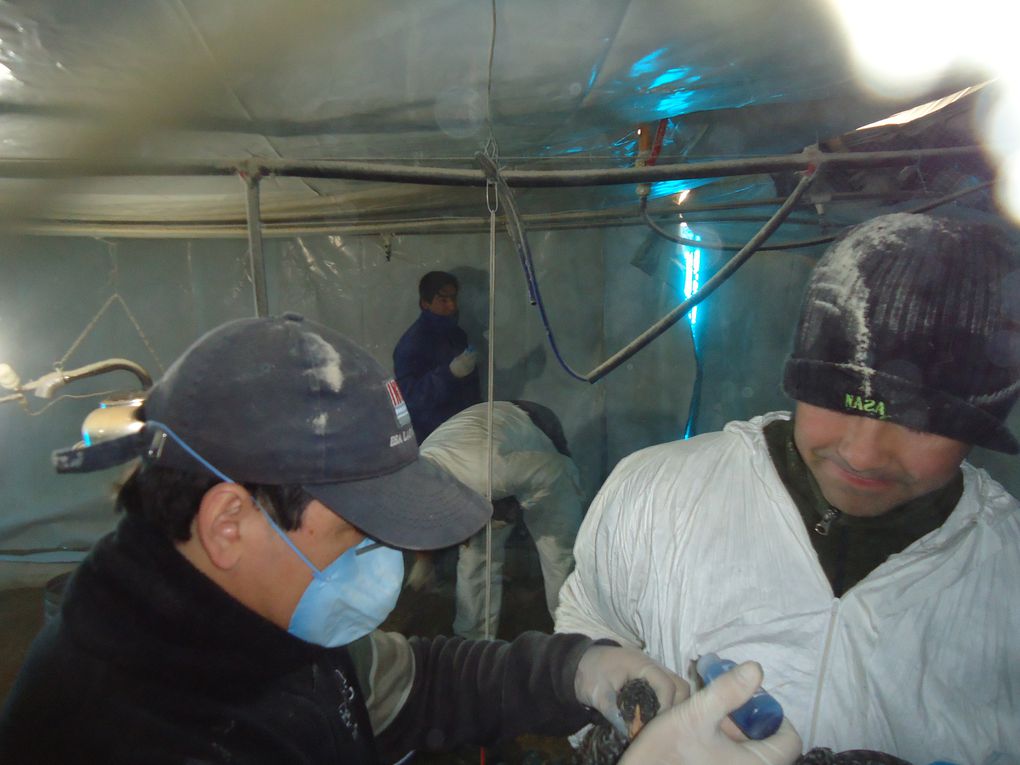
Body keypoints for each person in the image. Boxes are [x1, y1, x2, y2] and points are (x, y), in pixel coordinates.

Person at [0, 313, 797, 765]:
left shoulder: (258, 628)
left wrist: (583, 670)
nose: (385, 564)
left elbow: (417, 682)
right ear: (230, 523)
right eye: (359, 532)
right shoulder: (117, 733)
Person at [555, 213, 1020, 765]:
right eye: (838, 398)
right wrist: (611, 729)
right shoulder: (657, 493)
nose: (862, 453)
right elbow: (591, 618)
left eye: (920, 418)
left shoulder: (1005, 566)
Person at [417, 400, 584, 639]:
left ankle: (575, 635)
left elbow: (558, 472)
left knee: (559, 553)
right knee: (476, 555)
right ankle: (472, 644)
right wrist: (424, 560)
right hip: (484, 442)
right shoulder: (419, 477)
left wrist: (512, 507)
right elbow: (423, 519)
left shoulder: (488, 473)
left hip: (534, 426)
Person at [393, 270, 481, 443]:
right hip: (431, 438)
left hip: (462, 430)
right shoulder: (412, 343)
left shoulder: (457, 335)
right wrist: (450, 373)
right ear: (425, 303)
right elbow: (409, 398)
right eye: (443, 300)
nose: (452, 306)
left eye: (453, 298)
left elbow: (469, 388)